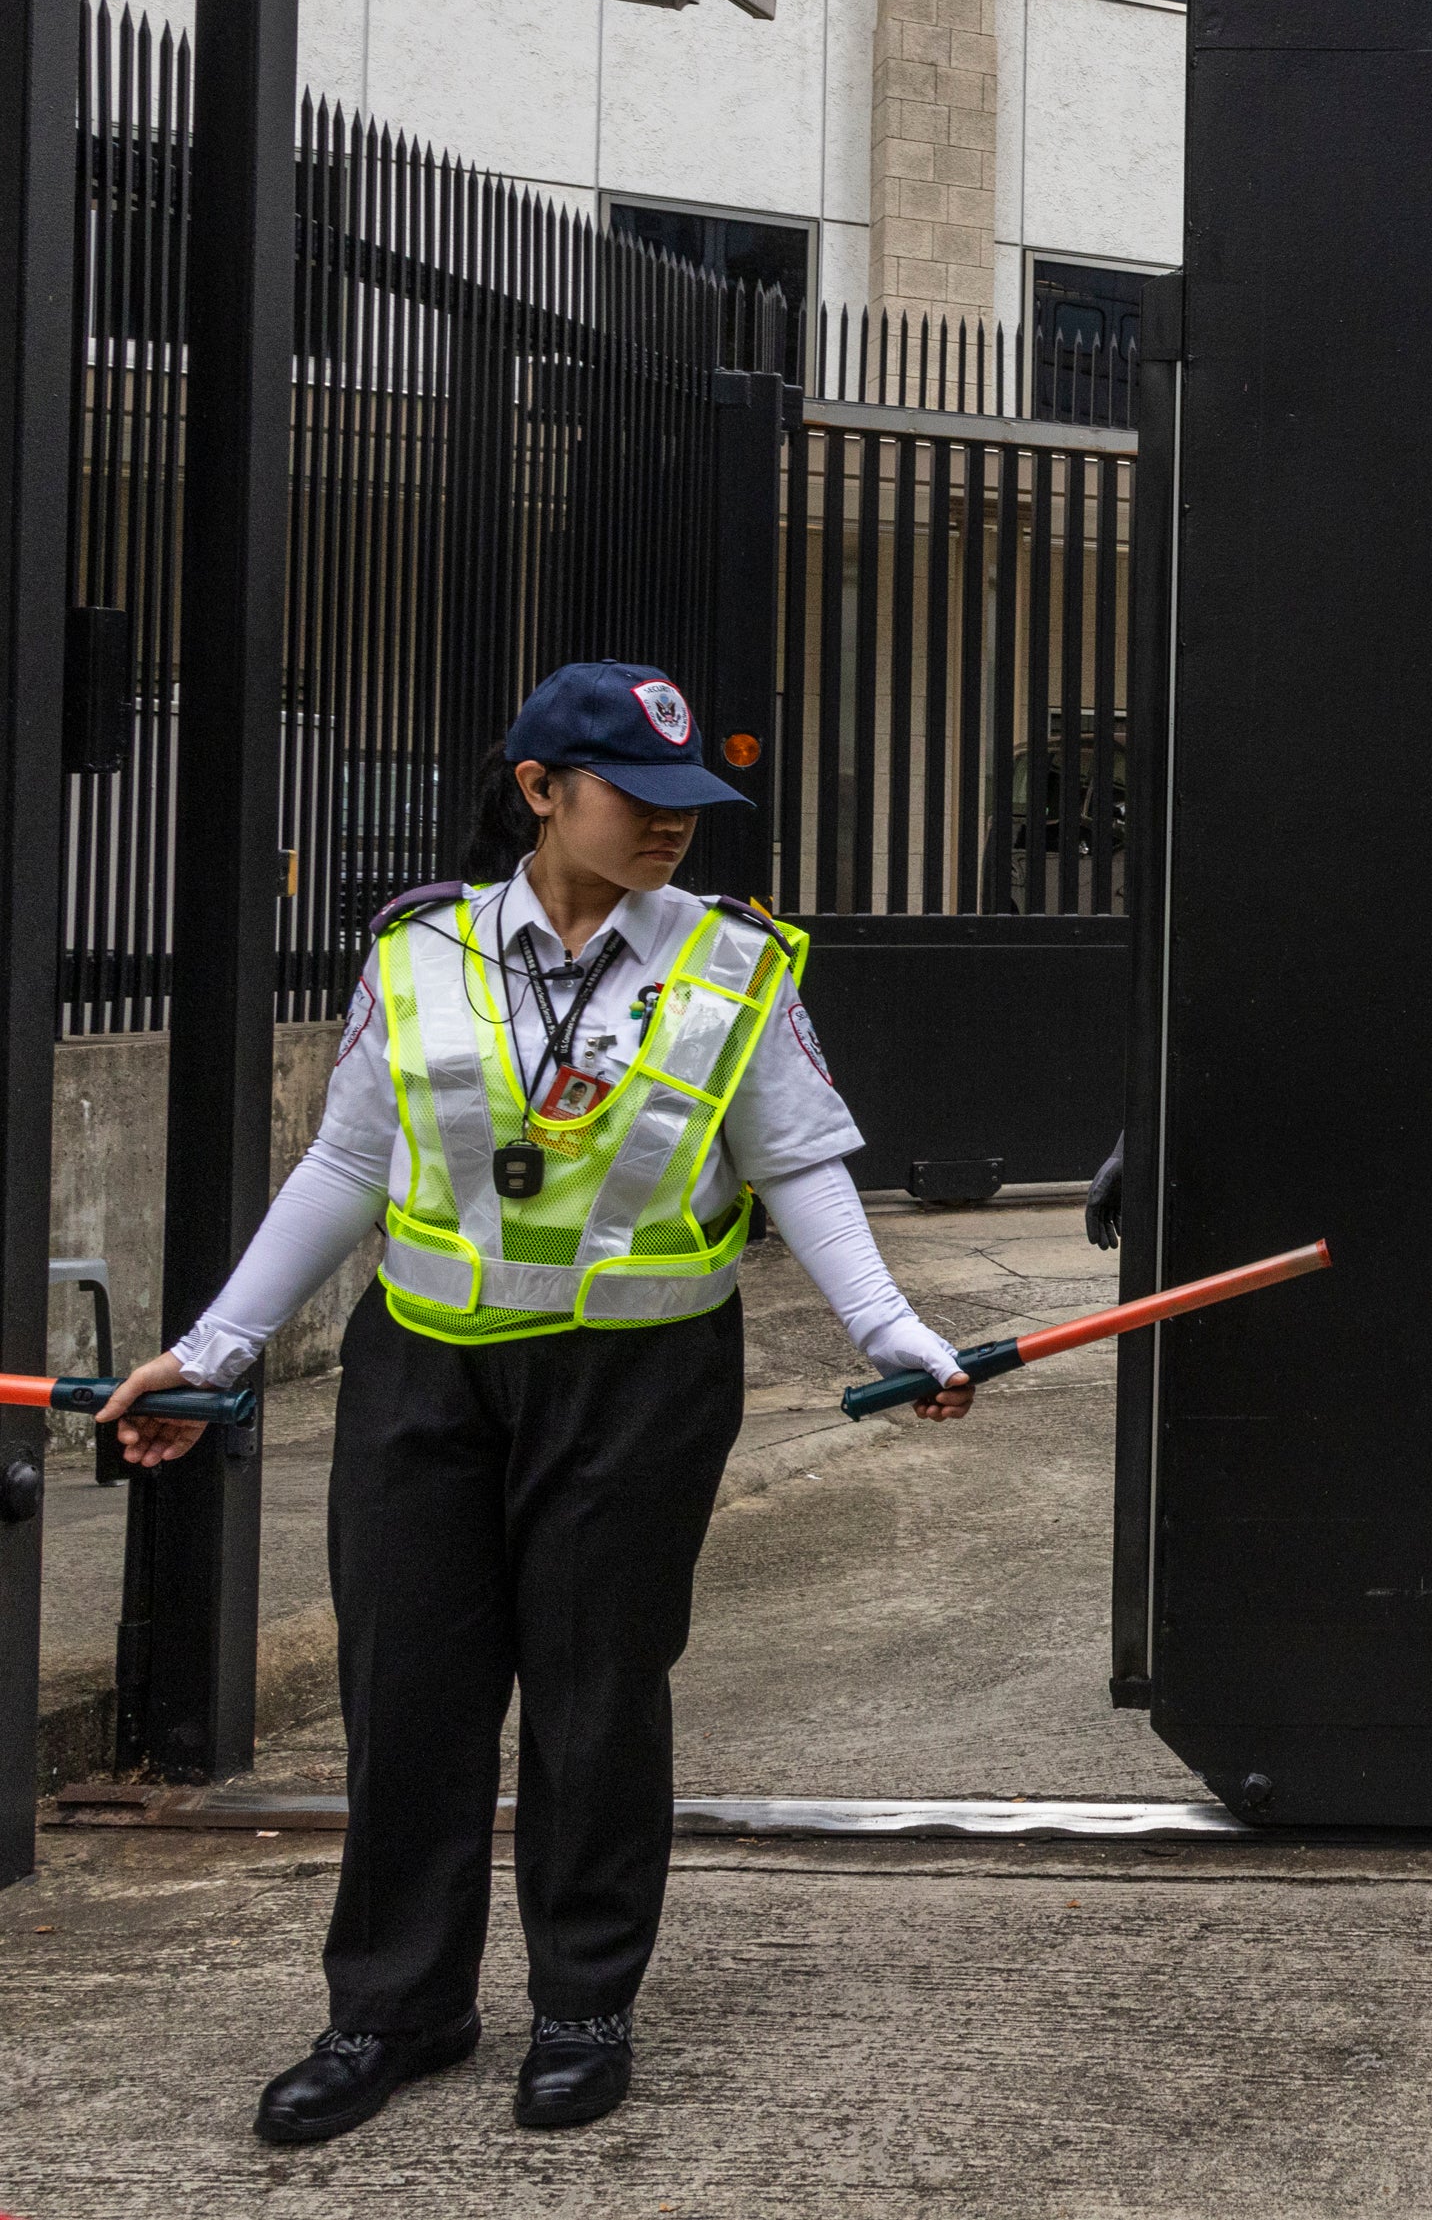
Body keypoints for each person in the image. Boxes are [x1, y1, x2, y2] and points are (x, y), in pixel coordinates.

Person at [98, 659, 980, 2146]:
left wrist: (895, 1328)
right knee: (409, 1695)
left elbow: (797, 1161)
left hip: (638, 1383)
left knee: (594, 1695)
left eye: (693, 803)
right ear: (538, 790)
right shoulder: (419, 953)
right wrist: (219, 1347)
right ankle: (396, 2006)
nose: (671, 828)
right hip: (425, 1371)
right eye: (638, 799)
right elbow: (344, 1169)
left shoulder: (732, 963)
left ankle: (582, 2002)